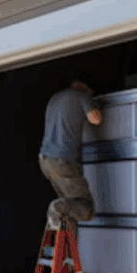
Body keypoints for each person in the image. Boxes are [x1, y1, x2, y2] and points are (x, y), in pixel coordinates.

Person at [38, 79, 103, 232]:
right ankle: (57, 208)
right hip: (64, 161)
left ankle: (66, 250)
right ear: (82, 85)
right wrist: (94, 104)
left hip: (46, 161)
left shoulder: (54, 99)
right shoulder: (81, 96)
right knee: (85, 207)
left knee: (71, 208)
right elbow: (96, 119)